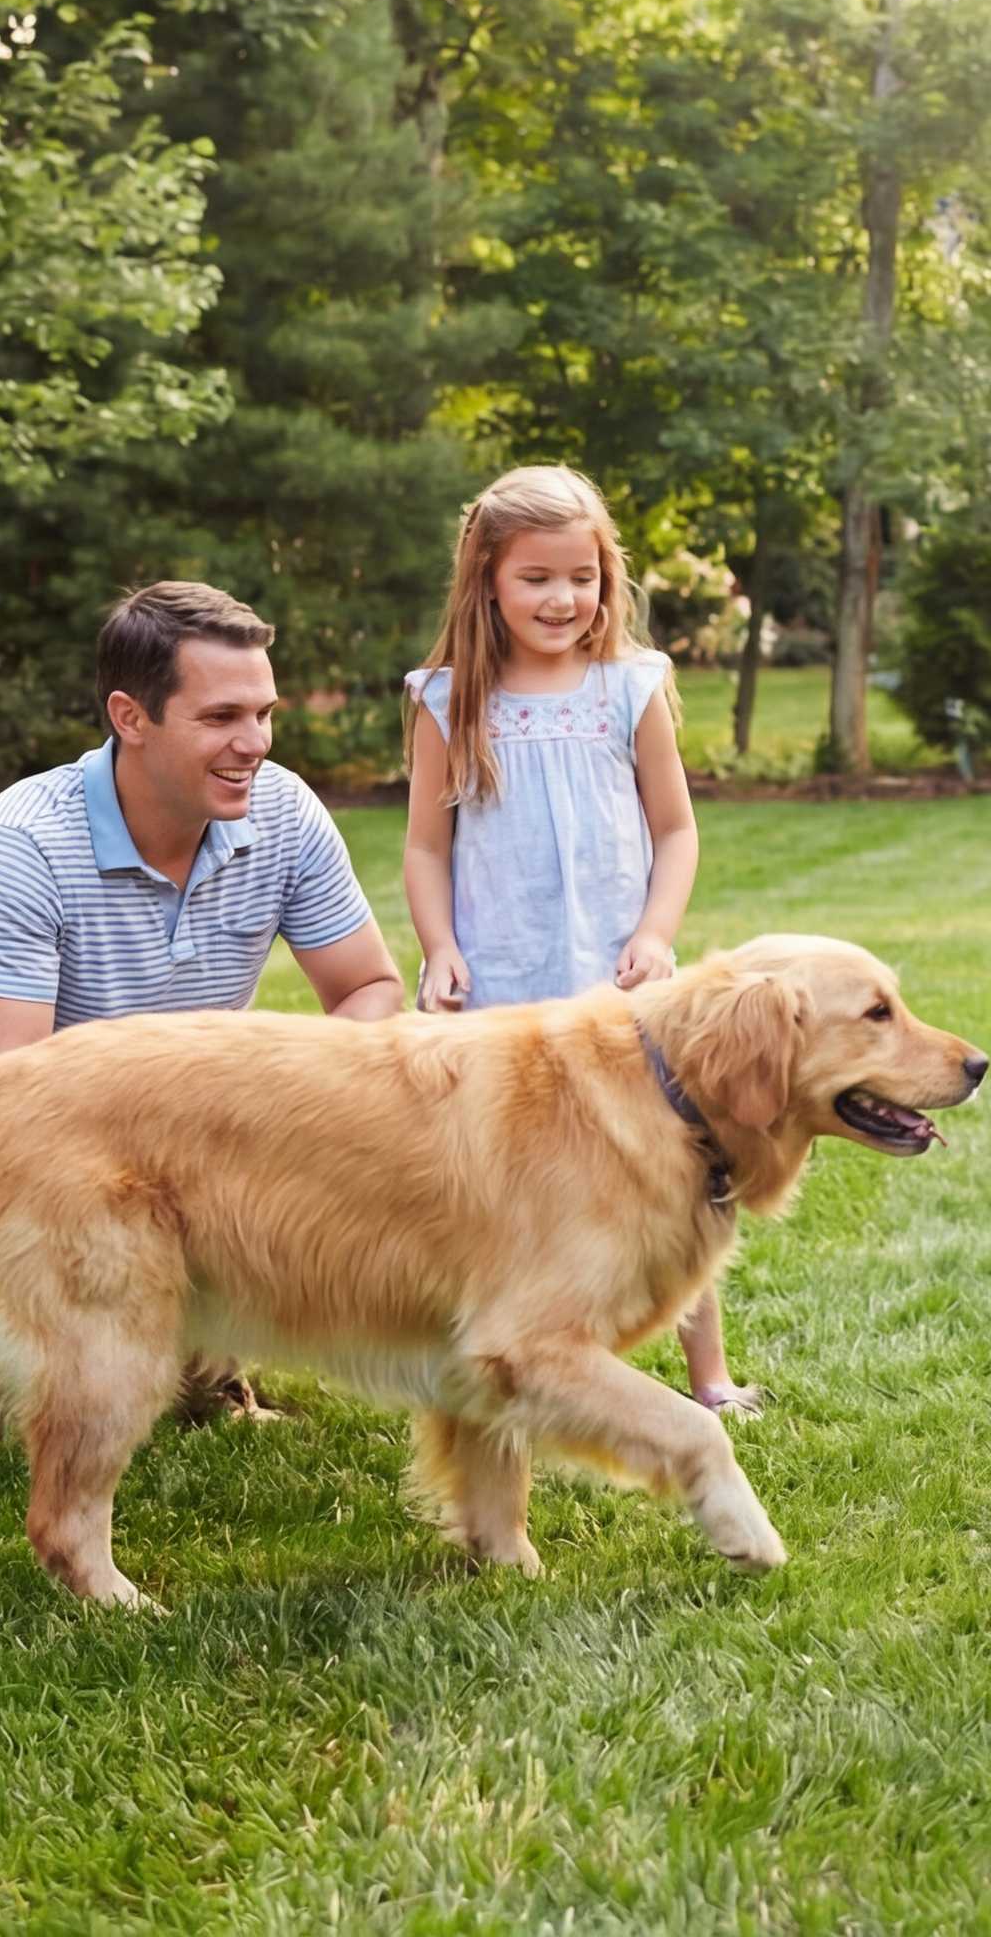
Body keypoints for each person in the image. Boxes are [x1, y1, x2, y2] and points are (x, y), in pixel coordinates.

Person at [0, 579, 404, 1417]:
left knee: (175, 1392)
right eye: (222, 718)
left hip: (192, 1142)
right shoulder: (21, 843)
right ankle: (3, 1358)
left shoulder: (286, 814)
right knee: (48, 1400)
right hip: (39, 1156)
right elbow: (1, 1092)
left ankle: (207, 1368)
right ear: (131, 717)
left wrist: (287, 1104)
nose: (255, 743)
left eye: (264, 714)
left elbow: (368, 988)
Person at [399, 466, 752, 1416]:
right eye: (536, 579)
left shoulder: (629, 688)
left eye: (583, 577)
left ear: (607, 579)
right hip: (500, 985)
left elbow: (675, 830)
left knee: (665, 1166)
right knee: (502, 1180)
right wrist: (439, 949)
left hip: (617, 979)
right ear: (486, 581)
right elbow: (427, 849)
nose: (564, 599)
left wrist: (655, 933)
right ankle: (495, 1352)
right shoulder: (445, 699)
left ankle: (707, 1375)